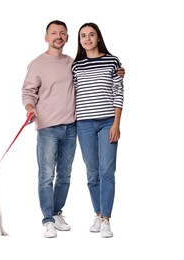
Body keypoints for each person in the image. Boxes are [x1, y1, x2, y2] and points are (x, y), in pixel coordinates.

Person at [22, 20, 125, 238]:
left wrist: (119, 72)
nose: (58, 36)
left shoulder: (76, 63)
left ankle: (73, 214)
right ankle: (49, 220)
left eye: (62, 33)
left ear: (67, 38)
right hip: (56, 127)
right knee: (50, 175)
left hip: (75, 126)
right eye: (53, 33)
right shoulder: (43, 64)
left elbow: (110, 84)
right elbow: (28, 92)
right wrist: (30, 108)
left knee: (71, 175)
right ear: (46, 37)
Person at [72, 22, 124, 238]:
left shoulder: (112, 61)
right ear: (80, 40)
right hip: (83, 124)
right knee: (92, 172)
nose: (87, 38)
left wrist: (116, 124)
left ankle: (106, 219)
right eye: (83, 35)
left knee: (106, 171)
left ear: (98, 37)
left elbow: (118, 92)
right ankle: (97, 213)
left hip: (107, 122)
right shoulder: (76, 66)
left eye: (91, 34)